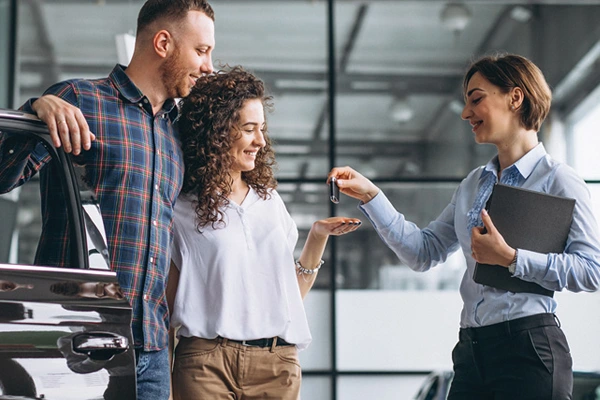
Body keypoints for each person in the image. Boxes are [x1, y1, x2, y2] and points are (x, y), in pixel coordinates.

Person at [328, 53, 600, 400]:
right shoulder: (473, 184)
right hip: (472, 351)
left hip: (528, 349)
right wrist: (372, 196)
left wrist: (512, 258)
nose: (465, 113)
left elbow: (593, 269)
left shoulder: (559, 180)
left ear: (515, 98)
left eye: (476, 99)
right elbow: (423, 252)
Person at [0, 0, 215, 397]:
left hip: (150, 348)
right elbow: (2, 177)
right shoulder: (79, 101)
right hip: (76, 338)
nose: (209, 66)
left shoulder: (177, 134)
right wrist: (32, 113)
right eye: (201, 51)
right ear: (163, 43)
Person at [167, 66, 361, 400]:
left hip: (276, 364)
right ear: (216, 132)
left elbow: (288, 297)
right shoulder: (181, 209)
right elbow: (168, 306)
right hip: (204, 365)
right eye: (248, 129)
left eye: (262, 129)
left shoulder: (270, 203)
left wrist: (316, 237)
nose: (260, 141)